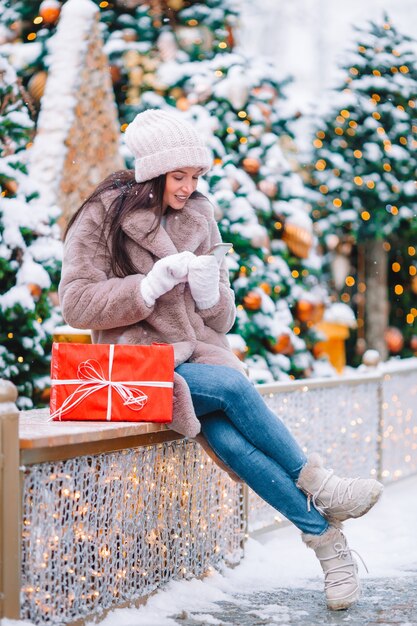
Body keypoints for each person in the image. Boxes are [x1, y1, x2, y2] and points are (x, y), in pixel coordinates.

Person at [59, 108, 383, 612]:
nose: (189, 187)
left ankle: (326, 543)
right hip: (135, 366)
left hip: (197, 355)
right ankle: (321, 484)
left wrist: (210, 291)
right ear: (152, 173)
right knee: (231, 389)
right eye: (179, 176)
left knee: (233, 444)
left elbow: (223, 319)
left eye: (196, 176)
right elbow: (75, 302)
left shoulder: (200, 216)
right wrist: (145, 288)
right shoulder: (105, 214)